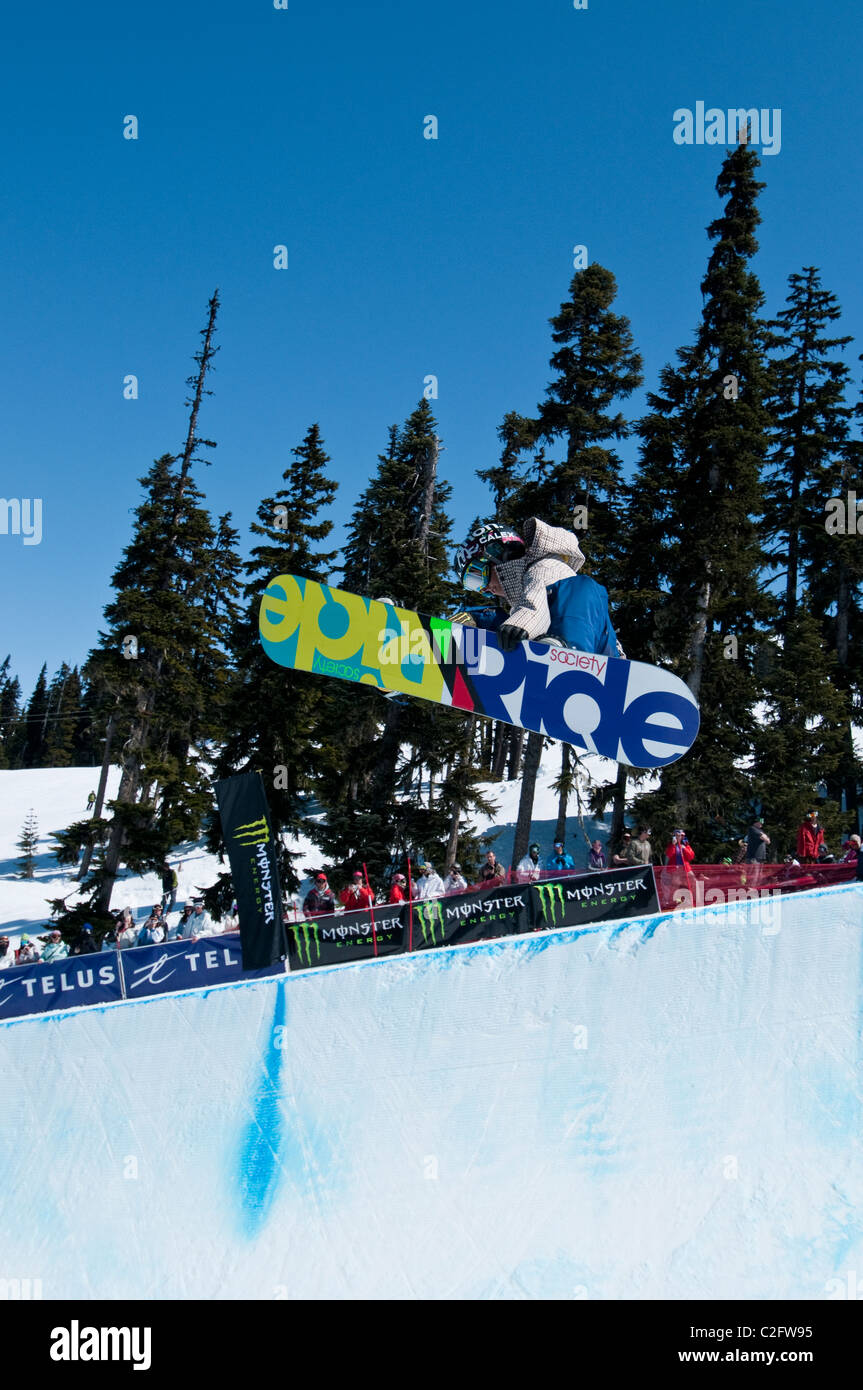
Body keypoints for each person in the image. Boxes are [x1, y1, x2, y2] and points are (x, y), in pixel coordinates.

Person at [453, 519, 620, 657]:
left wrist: (521, 624)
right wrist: (475, 620)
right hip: (549, 642)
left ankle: (566, 656)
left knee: (582, 587)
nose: (484, 589)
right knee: (504, 627)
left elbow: (535, 607)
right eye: (473, 586)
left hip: (595, 652)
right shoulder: (522, 600)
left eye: (476, 578)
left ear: (496, 555)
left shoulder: (547, 567)